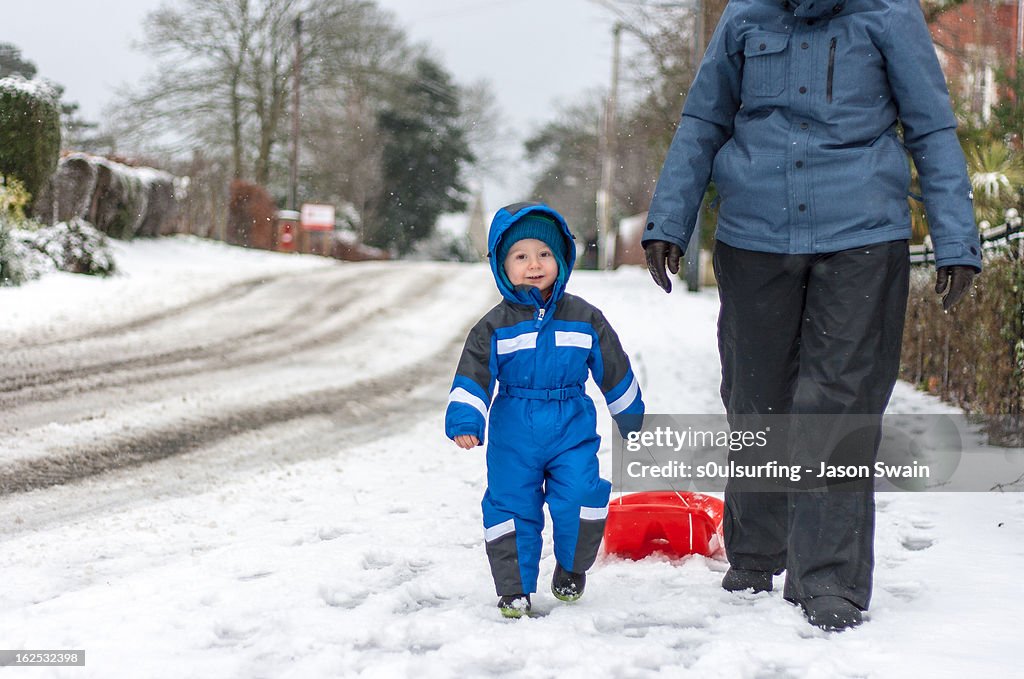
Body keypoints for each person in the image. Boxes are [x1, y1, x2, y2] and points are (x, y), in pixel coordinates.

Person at [641, 0, 981, 631]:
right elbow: (703, 121)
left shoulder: (888, 15)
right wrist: (670, 219)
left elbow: (930, 127)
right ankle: (756, 551)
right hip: (754, 234)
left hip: (861, 235)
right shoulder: (744, 18)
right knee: (756, 395)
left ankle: (827, 577)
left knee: (839, 402)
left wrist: (956, 238)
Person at [445, 202, 645, 618]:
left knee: (582, 496)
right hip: (513, 430)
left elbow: (613, 365)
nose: (534, 264)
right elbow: (473, 374)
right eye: (521, 256)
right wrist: (466, 418)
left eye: (544, 253)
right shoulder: (494, 327)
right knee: (510, 504)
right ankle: (514, 589)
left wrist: (629, 412)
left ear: (562, 259)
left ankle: (572, 568)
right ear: (503, 265)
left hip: (571, 425)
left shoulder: (585, 317)